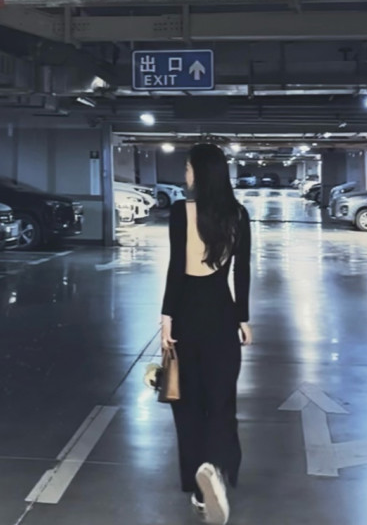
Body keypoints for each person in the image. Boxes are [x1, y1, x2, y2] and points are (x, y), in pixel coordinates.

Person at [161, 143, 252, 525]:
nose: (185, 174)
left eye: (187, 167)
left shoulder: (180, 212)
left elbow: (176, 269)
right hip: (222, 314)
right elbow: (241, 271)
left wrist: (167, 318)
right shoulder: (238, 215)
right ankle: (215, 467)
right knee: (220, 400)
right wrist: (242, 319)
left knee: (187, 402)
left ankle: (199, 486)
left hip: (187, 317)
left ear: (198, 172)